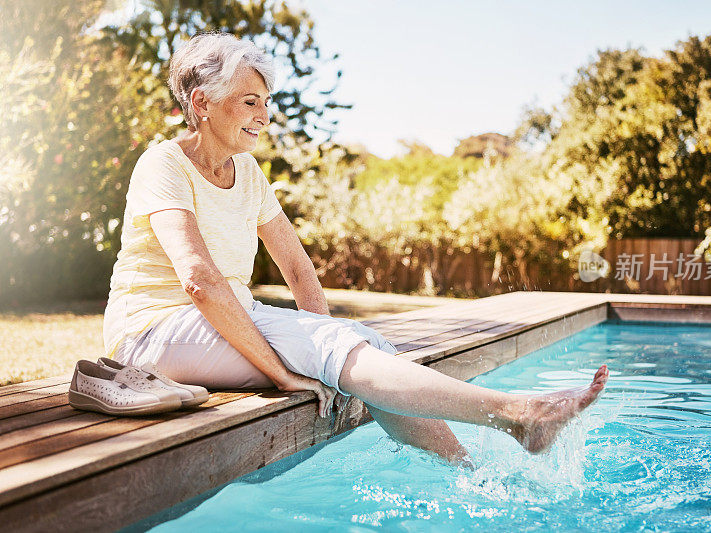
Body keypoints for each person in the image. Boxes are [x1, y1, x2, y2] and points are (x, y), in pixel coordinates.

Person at [103, 32, 608, 464]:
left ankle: (468, 468)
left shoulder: (249, 174)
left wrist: (325, 335)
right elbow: (199, 279)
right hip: (151, 334)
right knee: (335, 352)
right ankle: (519, 416)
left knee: (366, 347)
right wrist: (285, 372)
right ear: (202, 103)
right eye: (250, 101)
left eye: (266, 101)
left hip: (225, 320)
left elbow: (299, 268)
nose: (265, 114)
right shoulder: (163, 164)